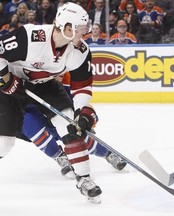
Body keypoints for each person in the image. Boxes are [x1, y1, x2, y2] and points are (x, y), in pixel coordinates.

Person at [0, 2, 102, 202]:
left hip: (43, 84)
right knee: (4, 143)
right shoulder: (31, 37)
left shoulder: (80, 50)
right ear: (66, 28)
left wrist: (81, 111)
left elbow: (82, 86)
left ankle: (84, 178)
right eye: (80, 30)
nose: (84, 34)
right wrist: (4, 77)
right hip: (11, 86)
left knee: (71, 125)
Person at [21, 72, 127, 179]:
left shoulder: (68, 80)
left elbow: (81, 106)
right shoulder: (29, 71)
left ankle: (107, 154)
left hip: (57, 116)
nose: (60, 74)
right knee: (27, 122)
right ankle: (60, 157)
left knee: (76, 133)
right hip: (34, 115)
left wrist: (86, 120)